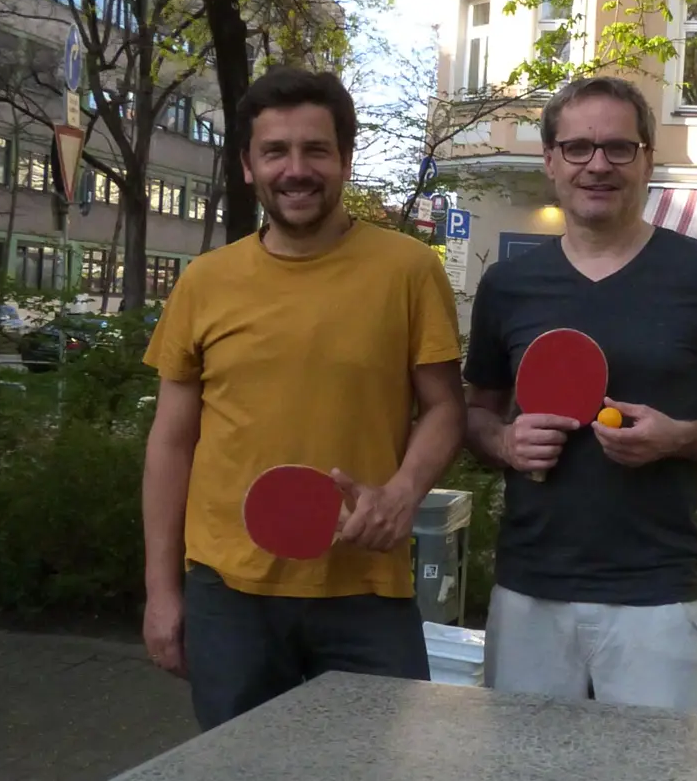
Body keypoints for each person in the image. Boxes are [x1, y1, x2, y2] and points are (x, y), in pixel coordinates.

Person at [139, 66, 466, 731]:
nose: (297, 169)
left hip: (366, 590)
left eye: (316, 149)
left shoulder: (408, 271)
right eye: (275, 152)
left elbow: (445, 408)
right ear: (248, 165)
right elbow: (172, 443)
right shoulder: (205, 282)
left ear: (345, 158)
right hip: (229, 597)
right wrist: (161, 591)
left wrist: (402, 493)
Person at [461, 76, 697, 712]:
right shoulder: (508, 285)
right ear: (550, 161)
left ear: (647, 160)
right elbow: (473, 414)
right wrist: (503, 441)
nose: (598, 165)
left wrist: (682, 437)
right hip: (529, 590)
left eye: (618, 148)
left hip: (655, 594)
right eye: (577, 148)